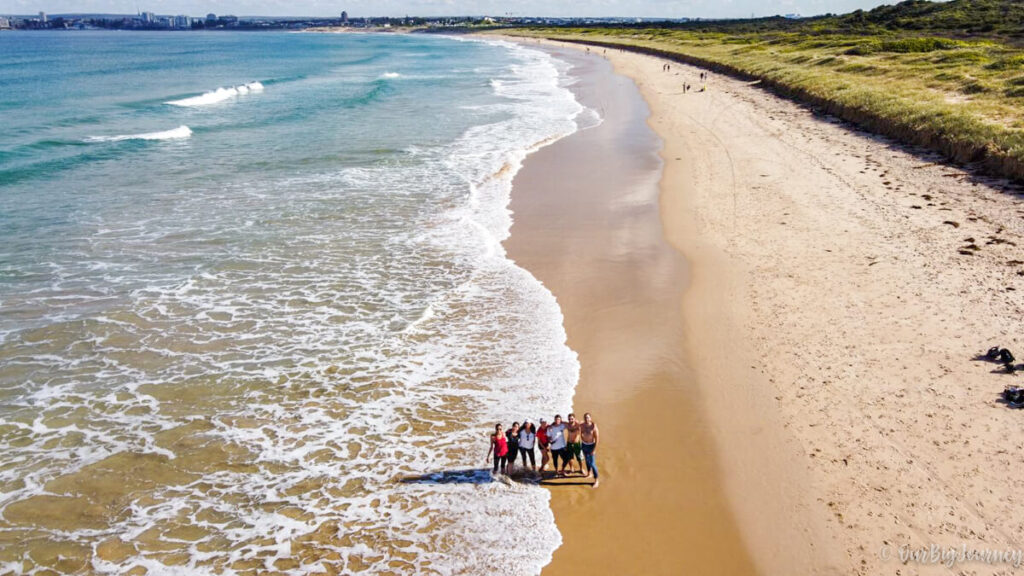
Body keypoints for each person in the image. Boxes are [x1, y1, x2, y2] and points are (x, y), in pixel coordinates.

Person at [581, 413, 600, 488]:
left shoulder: (594, 427)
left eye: (588, 417)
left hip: (591, 446)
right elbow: (574, 423)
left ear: (590, 418)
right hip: (584, 445)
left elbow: (597, 439)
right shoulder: (582, 425)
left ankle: (596, 480)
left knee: (592, 463)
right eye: (585, 417)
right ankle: (589, 473)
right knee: (586, 460)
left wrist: (594, 449)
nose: (587, 419)